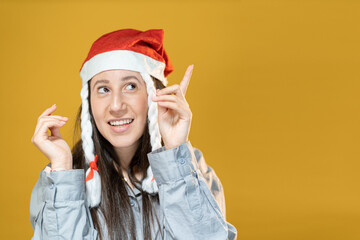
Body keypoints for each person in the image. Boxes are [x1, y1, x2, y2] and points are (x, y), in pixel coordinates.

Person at [30, 29, 237, 240]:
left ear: (154, 96)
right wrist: (64, 171)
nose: (116, 105)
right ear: (88, 103)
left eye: (130, 86)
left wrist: (175, 154)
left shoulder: (191, 168)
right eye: (103, 89)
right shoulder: (58, 179)